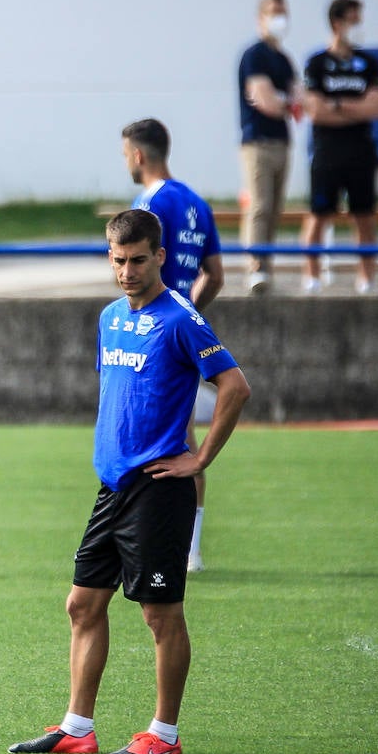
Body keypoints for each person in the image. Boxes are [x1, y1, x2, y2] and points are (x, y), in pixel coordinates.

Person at [9, 209, 250, 754]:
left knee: (159, 614)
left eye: (138, 260)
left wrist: (200, 459)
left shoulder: (181, 318)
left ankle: (163, 735)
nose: (127, 271)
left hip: (160, 486)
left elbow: (235, 387)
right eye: (118, 260)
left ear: (160, 256)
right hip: (112, 486)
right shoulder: (110, 317)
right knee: (82, 605)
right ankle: (77, 728)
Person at [123, 118, 224, 572]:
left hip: (152, 332)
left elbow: (136, 264)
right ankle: (192, 548)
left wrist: (168, 313)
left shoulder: (150, 202)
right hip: (179, 330)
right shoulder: (197, 203)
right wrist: (189, 312)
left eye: (126, 154)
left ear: (138, 155)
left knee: (140, 431)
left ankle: (142, 540)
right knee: (178, 435)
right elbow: (215, 273)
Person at [300, 0, 378, 295]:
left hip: (361, 150)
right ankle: (311, 278)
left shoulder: (369, 63)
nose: (358, 26)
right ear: (337, 22)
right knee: (319, 214)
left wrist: (336, 105)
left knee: (364, 215)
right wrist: (354, 106)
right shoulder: (317, 63)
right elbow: (315, 110)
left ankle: (367, 279)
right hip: (327, 151)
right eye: (353, 20)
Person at [238, 0, 301, 295]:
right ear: (260, 17)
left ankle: (267, 265)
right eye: (274, 12)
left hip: (282, 141)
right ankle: (255, 267)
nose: (280, 19)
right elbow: (264, 100)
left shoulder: (284, 59)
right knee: (260, 206)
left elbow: (301, 102)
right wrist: (282, 102)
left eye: (283, 12)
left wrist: (284, 102)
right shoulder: (255, 55)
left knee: (275, 209)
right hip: (258, 142)